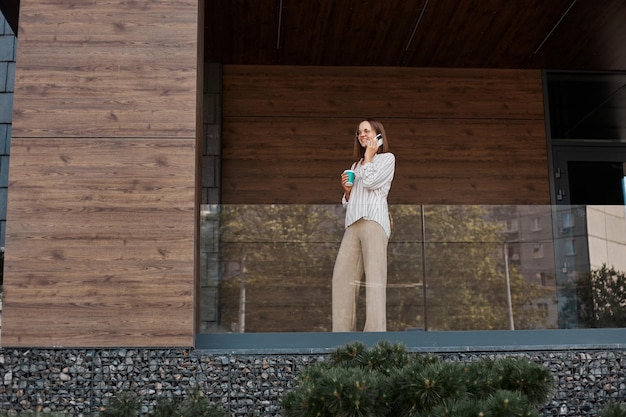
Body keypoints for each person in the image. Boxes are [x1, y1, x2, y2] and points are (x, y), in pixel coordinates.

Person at [332, 118, 395, 332]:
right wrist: (348, 191)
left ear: (378, 135)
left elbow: (370, 183)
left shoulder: (387, 159)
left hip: (374, 222)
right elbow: (348, 201)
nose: (362, 135)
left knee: (375, 281)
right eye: (359, 132)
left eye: (367, 131)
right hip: (353, 223)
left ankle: (375, 336)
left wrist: (369, 156)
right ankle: (341, 336)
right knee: (341, 278)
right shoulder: (355, 166)